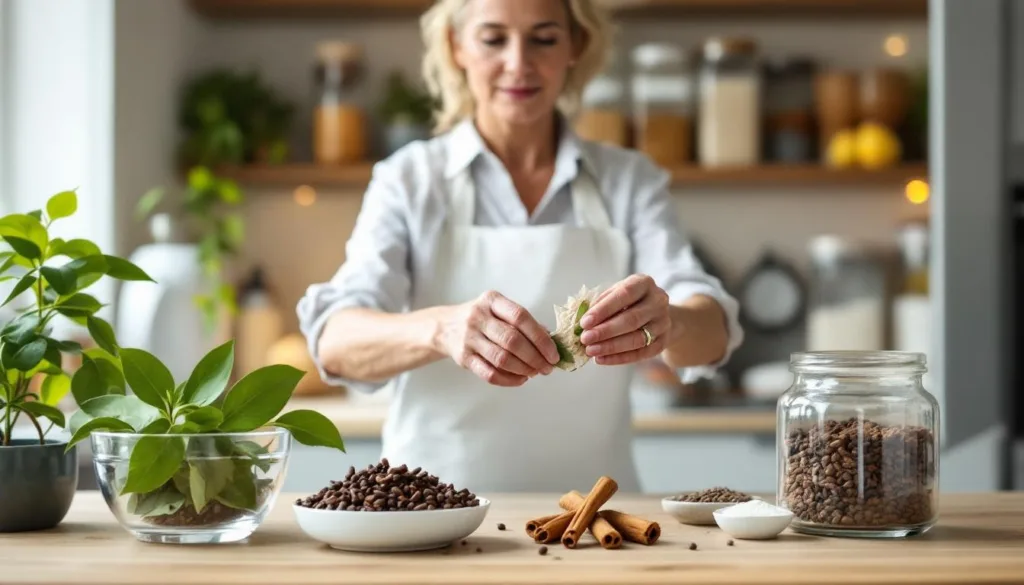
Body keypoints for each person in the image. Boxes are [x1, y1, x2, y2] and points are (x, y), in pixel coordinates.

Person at [297, 0, 743, 494]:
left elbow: (713, 332)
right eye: (493, 39)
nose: (518, 63)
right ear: (456, 46)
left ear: (576, 45)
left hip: (592, 522)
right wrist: (442, 329)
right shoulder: (409, 180)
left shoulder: (628, 181)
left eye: (544, 38)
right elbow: (335, 343)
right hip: (425, 515)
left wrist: (671, 321)